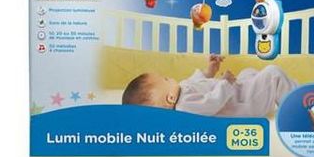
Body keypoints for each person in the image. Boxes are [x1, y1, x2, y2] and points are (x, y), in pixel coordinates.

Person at [122, 54, 295, 117]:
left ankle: (276, 93)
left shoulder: (181, 89)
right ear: (170, 98)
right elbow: (212, 102)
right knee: (274, 73)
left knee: (247, 71)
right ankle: (299, 106)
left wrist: (210, 70)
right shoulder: (185, 106)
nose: (168, 77)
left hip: (237, 91)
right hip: (244, 103)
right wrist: (225, 82)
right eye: (165, 79)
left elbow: (198, 81)